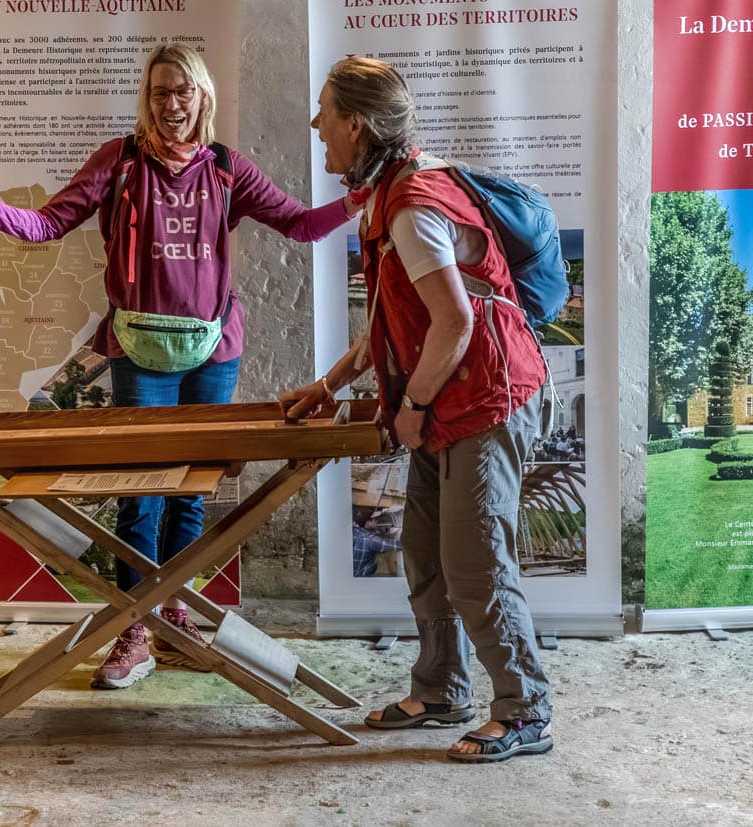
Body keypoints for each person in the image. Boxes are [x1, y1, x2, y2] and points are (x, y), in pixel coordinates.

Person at [0, 43, 355, 690]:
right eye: (159, 93)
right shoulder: (119, 162)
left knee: (190, 491)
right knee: (141, 491)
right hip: (139, 352)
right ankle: (133, 629)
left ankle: (174, 615)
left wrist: (358, 199)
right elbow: (51, 221)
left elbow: (301, 225)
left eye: (182, 92)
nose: (171, 105)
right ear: (147, 100)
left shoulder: (226, 168)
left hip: (212, 351)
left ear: (203, 96)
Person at [281, 56, 553, 763]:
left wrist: (414, 408)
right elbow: (391, 314)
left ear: (356, 123)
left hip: (484, 398)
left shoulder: (412, 206)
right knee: (427, 554)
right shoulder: (387, 191)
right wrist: (333, 381)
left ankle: (526, 710)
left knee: (476, 563)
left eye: (323, 114)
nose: (317, 127)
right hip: (449, 395)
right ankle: (441, 689)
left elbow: (454, 322)